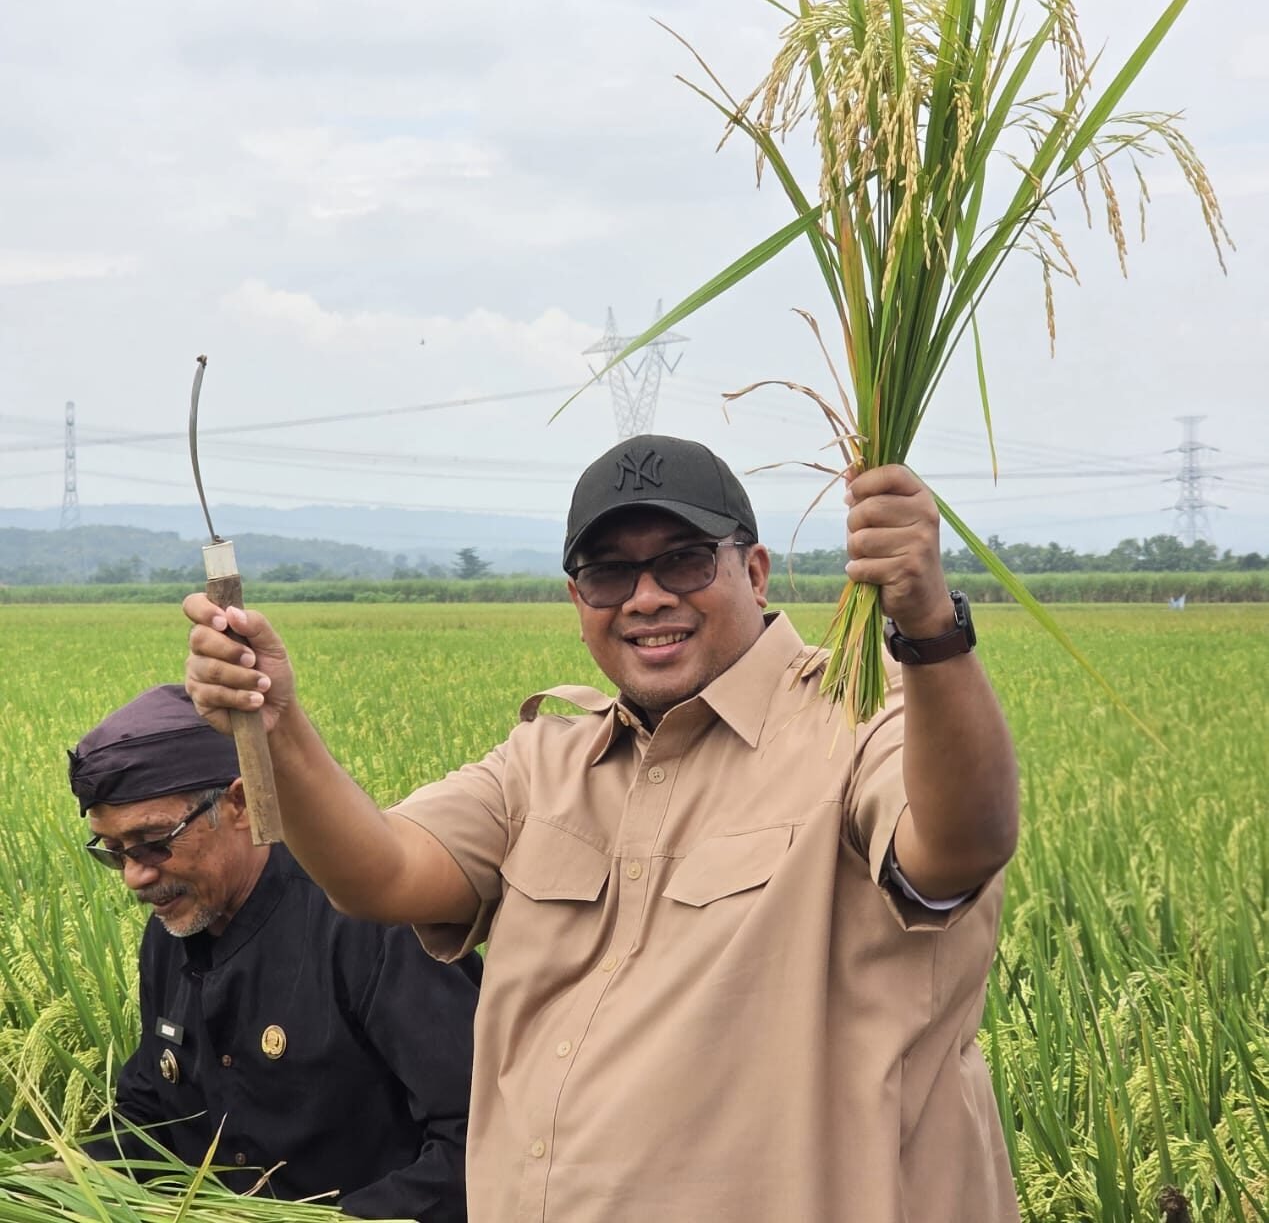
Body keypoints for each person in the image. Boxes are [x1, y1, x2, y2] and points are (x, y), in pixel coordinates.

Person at [184, 434, 1021, 1223]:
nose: (646, 597)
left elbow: (958, 847)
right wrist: (278, 723)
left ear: (755, 571)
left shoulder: (861, 716)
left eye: (684, 560)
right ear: (576, 600)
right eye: (608, 573)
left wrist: (928, 629)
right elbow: (382, 875)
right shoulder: (542, 763)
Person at [67, 684, 480, 1220]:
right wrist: (58, 1178)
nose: (134, 877)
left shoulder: (372, 924)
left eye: (154, 842)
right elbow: (151, 1111)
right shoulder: (171, 931)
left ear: (239, 803)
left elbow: (476, 1137)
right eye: (113, 852)